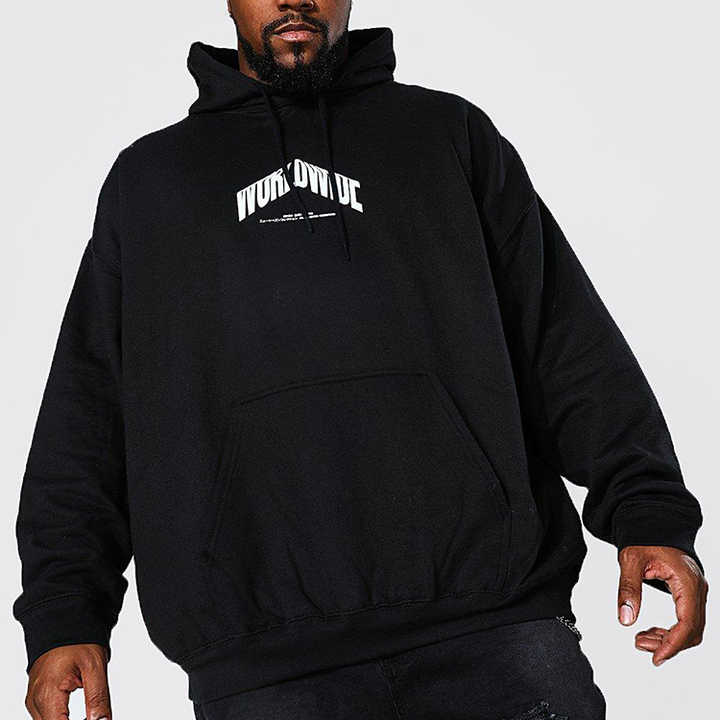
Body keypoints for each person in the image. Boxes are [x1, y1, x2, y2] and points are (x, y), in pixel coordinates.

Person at [13, 1, 708, 719]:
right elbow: (89, 413)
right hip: (264, 671)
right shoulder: (152, 182)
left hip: (497, 637)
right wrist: (64, 615)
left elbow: (564, 344)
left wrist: (650, 514)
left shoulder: (447, 137)